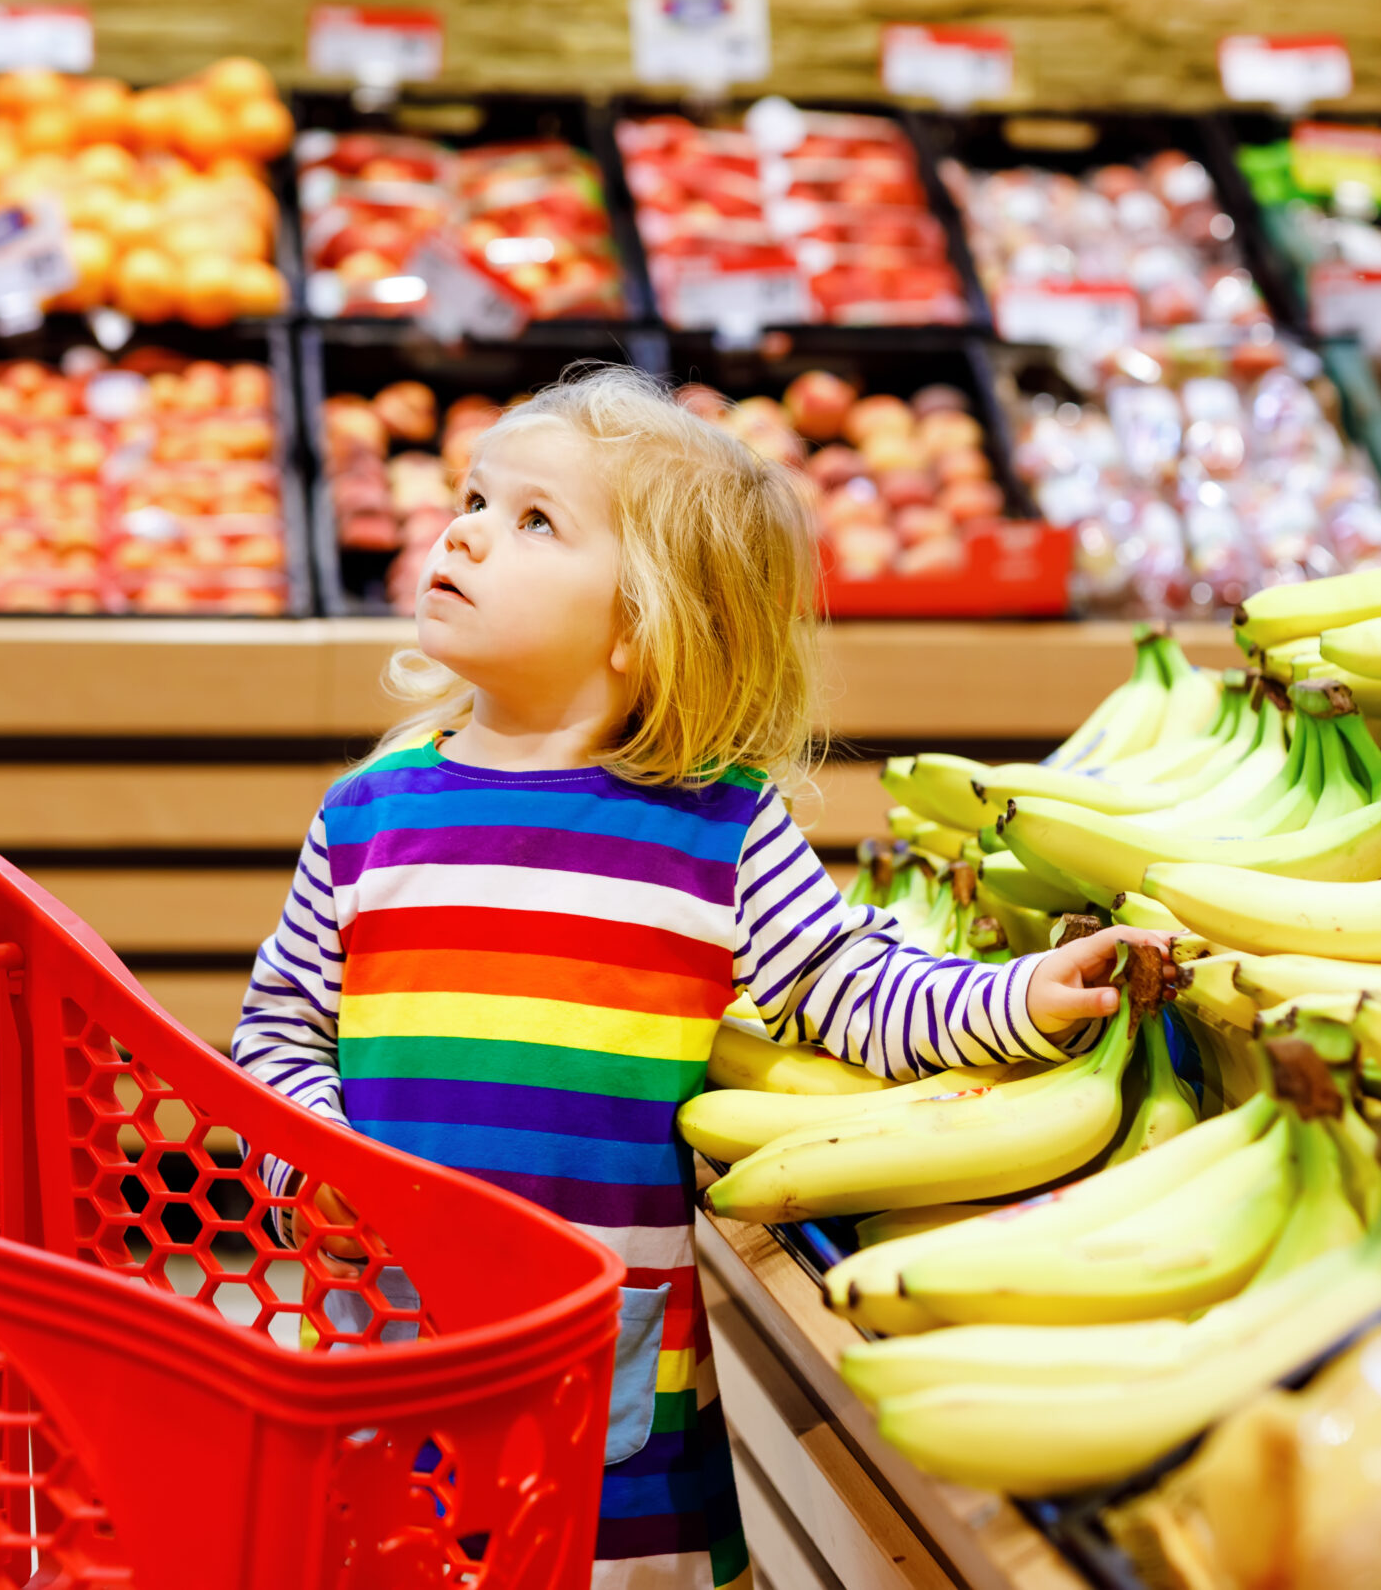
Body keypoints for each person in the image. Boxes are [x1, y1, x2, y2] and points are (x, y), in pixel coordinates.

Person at [233, 365, 1166, 1590]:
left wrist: (1017, 1000)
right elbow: (276, 1036)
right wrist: (314, 1160)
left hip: (608, 1405)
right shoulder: (366, 818)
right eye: (471, 496)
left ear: (642, 623)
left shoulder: (715, 831)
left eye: (532, 521)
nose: (459, 528)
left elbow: (847, 982)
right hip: (385, 1346)